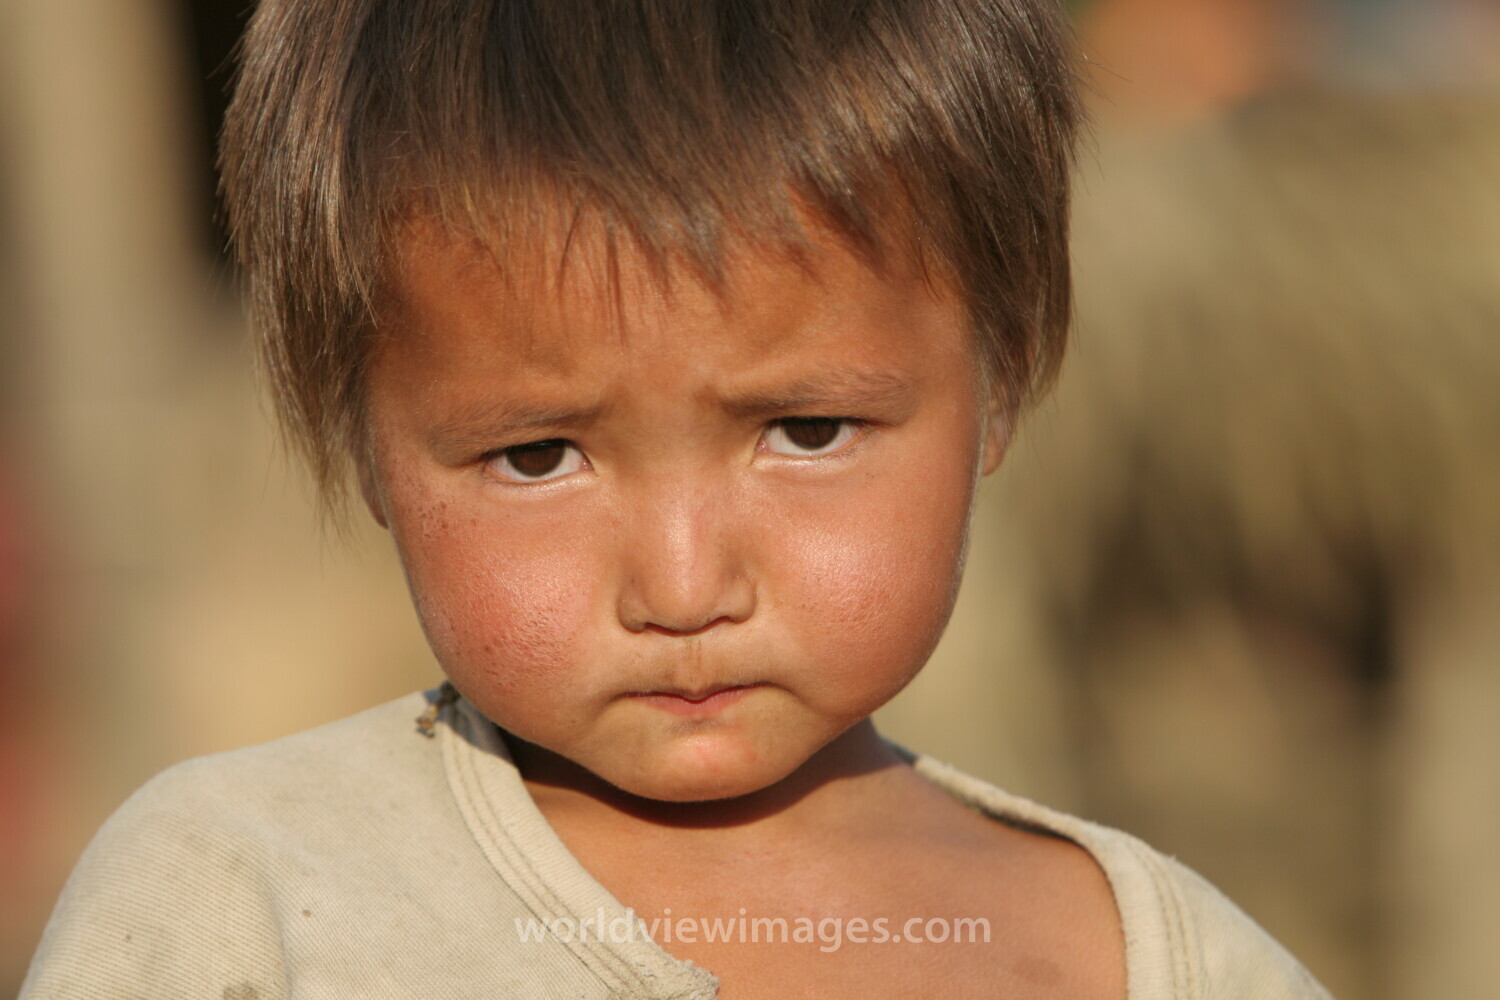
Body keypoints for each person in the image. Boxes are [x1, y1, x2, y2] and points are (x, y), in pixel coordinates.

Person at [20, 1, 1332, 996]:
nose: (684, 584)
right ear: (361, 437)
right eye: (538, 457)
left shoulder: (1166, 965)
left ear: (1005, 377)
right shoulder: (239, 894)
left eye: (807, 430)